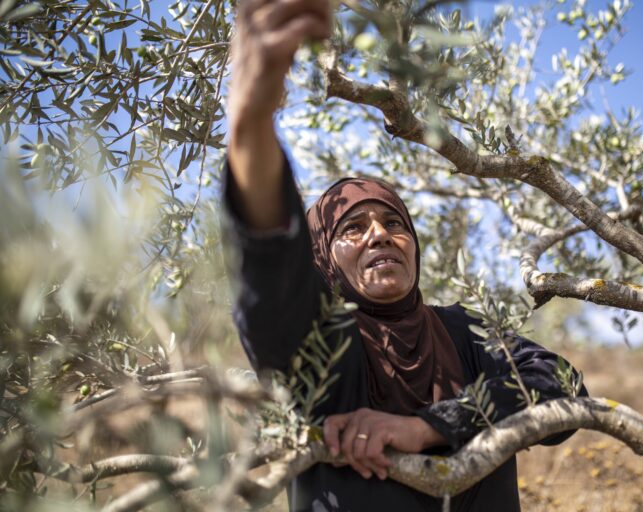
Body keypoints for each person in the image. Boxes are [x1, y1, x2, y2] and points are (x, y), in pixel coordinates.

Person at [224, 1, 586, 510]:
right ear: (323, 261)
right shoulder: (323, 345)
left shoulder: (464, 332)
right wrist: (252, 118)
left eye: (394, 223)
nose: (379, 234)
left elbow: (563, 387)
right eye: (352, 228)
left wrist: (429, 426)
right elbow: (271, 286)